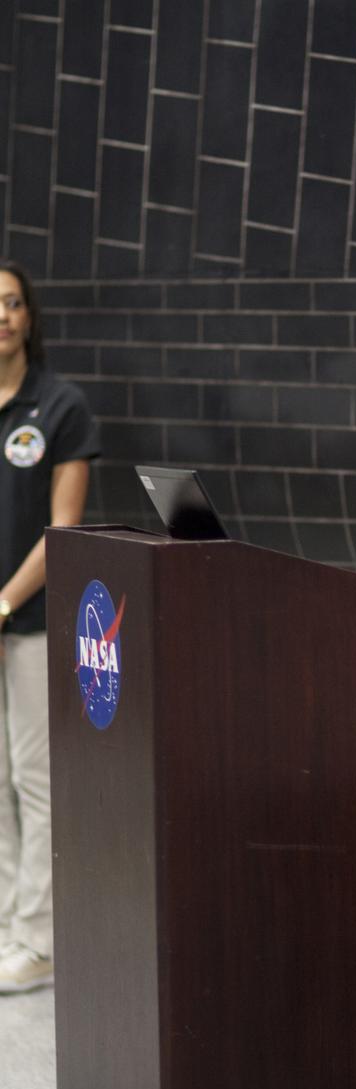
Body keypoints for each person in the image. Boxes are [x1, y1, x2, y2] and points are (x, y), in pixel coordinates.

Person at [0, 260, 99, 994]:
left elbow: (63, 530)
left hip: (29, 621)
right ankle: (8, 925)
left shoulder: (60, 406)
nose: (0, 315)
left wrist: (3, 603)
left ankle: (39, 942)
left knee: (33, 779)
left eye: (10, 303)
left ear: (29, 316)